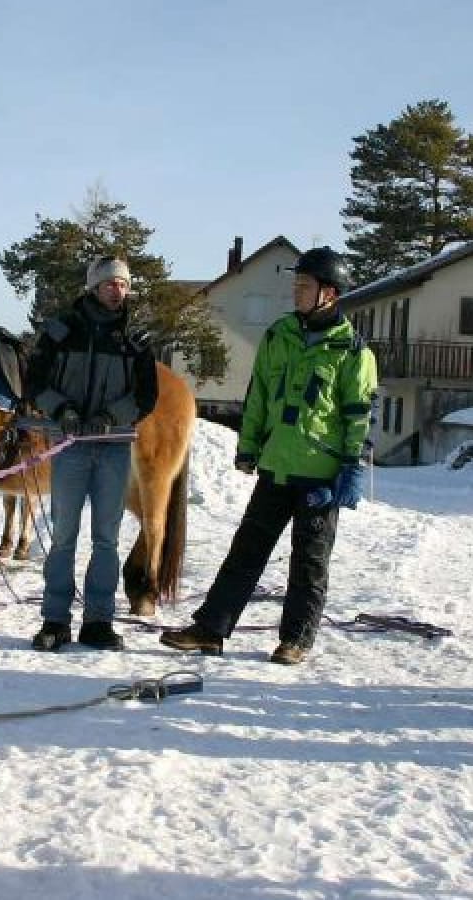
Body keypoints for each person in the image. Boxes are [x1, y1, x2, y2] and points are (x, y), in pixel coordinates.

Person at [160, 246, 377, 664]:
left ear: (329, 293)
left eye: (304, 286)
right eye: (295, 285)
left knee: (309, 563)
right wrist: (249, 445)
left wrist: (352, 467)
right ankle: (210, 629)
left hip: (320, 476)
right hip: (276, 466)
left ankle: (296, 639)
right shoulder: (279, 335)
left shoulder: (352, 352)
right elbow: (258, 394)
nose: (295, 292)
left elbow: (359, 415)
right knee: (245, 552)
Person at [24, 256, 158, 652]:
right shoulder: (61, 332)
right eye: (110, 283)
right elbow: (35, 381)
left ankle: (98, 621)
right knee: (64, 535)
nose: (118, 290)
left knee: (107, 538)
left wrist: (110, 416)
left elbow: (146, 395)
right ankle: (55, 619)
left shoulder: (136, 338)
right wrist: (61, 409)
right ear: (94, 287)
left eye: (123, 284)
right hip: (71, 449)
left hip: (113, 449)